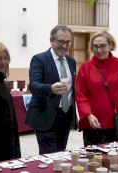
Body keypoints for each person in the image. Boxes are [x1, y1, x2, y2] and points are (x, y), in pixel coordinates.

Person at [76, 31, 118, 147]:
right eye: (95, 47)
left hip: (114, 122)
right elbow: (81, 94)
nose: (99, 50)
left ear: (110, 45)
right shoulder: (85, 67)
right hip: (92, 123)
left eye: (102, 46)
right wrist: (88, 114)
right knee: (93, 159)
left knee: (112, 159)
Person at [25, 25, 76, 154]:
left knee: (61, 153)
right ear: (52, 40)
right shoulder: (39, 59)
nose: (64, 46)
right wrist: (50, 88)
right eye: (61, 42)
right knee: (48, 157)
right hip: (45, 116)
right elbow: (33, 85)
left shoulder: (71, 61)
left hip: (66, 115)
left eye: (67, 42)